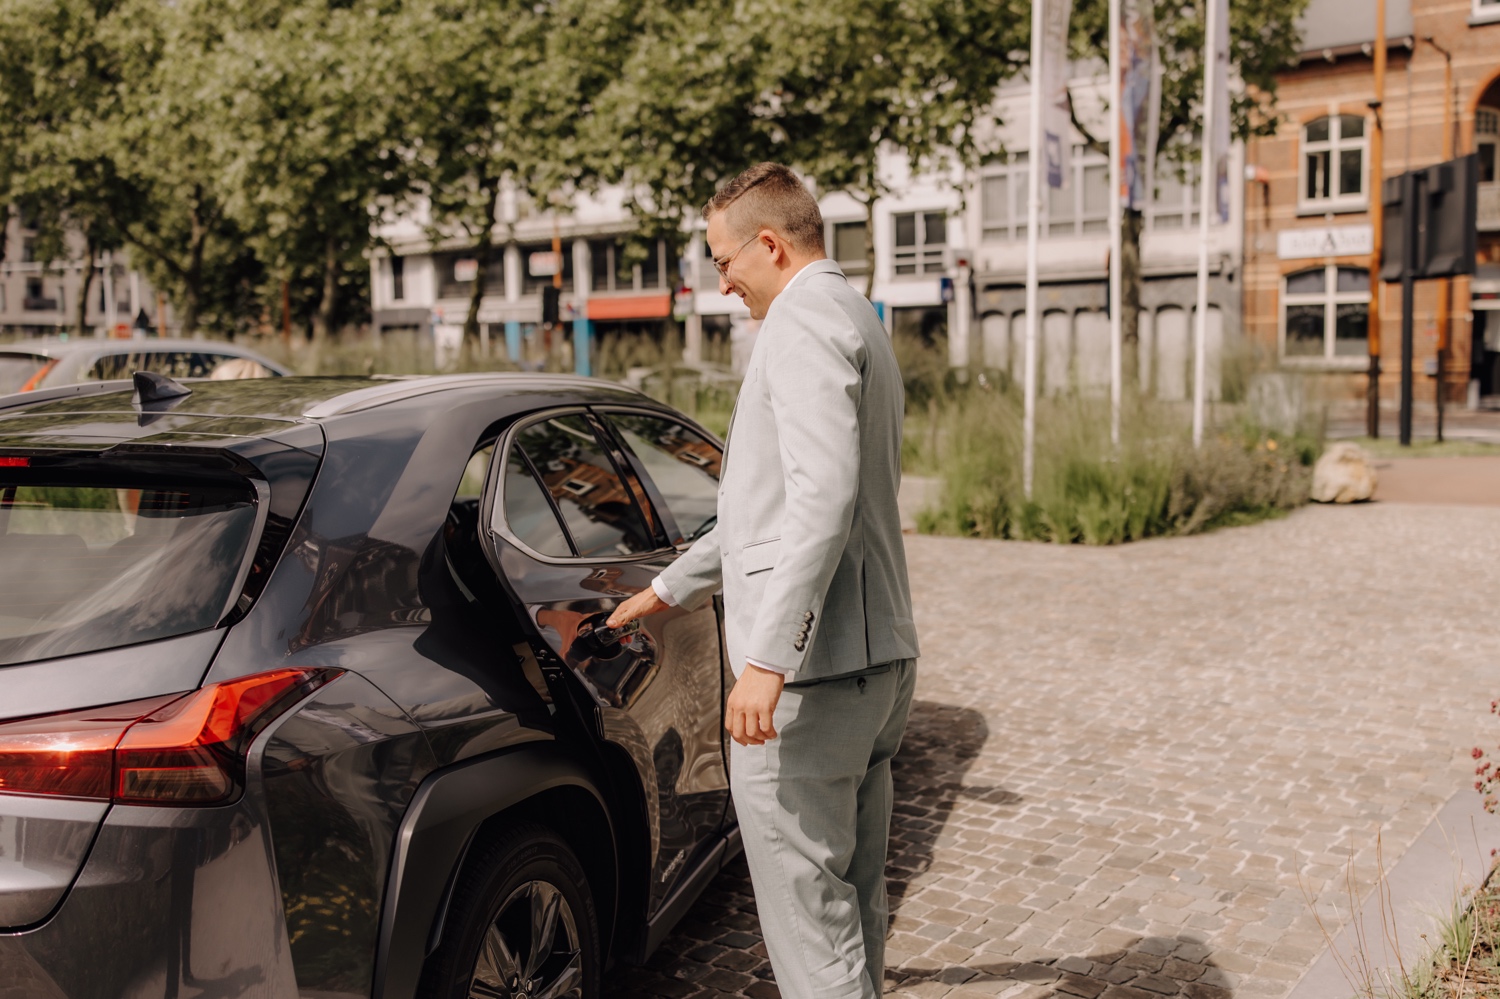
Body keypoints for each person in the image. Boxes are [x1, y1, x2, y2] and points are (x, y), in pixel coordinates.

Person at [606, 162, 919, 999]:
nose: (720, 282)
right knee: (851, 897)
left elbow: (823, 498)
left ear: (771, 244)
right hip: (875, 660)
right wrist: (672, 585)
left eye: (722, 259)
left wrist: (769, 657)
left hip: (811, 682)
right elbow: (775, 510)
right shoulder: (855, 313)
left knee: (809, 917)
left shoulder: (800, 323)